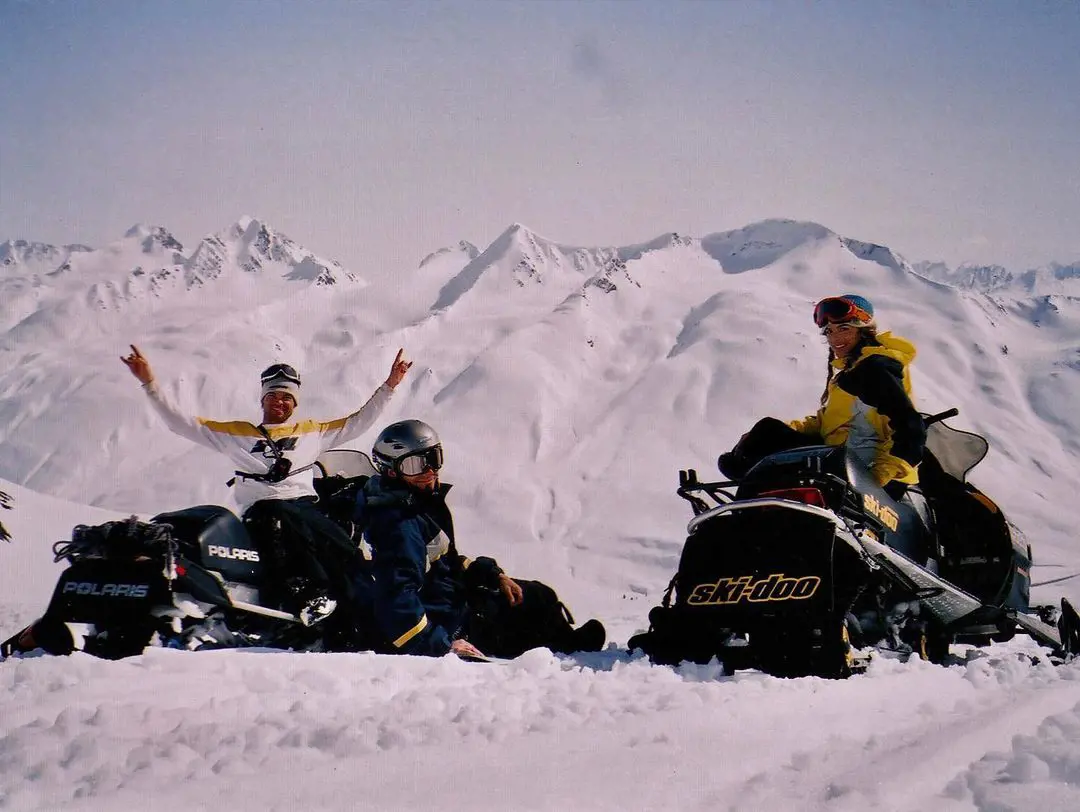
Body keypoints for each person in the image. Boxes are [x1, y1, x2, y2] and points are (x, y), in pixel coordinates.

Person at [120, 344, 412, 625]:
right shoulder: (237, 434)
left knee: (342, 545)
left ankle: (366, 609)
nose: (279, 402)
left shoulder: (313, 432)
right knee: (278, 515)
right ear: (262, 399)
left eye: (286, 397)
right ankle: (310, 595)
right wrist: (149, 383)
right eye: (273, 395)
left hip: (304, 508)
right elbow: (181, 423)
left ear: (295, 402)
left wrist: (390, 385)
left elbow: (359, 421)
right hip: (263, 511)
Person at [359, 419, 606, 659]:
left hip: (456, 600)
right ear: (391, 470)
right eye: (415, 465)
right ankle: (565, 650)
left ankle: (567, 641)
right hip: (453, 623)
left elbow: (446, 559)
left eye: (434, 459)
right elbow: (395, 600)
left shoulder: (415, 505)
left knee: (537, 595)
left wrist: (493, 575)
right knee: (532, 610)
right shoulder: (398, 525)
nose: (430, 471)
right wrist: (443, 646)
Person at [718, 294, 925, 500]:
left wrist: (878, 477)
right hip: (839, 461)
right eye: (829, 332)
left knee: (763, 450)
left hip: (870, 471)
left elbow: (910, 427)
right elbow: (827, 424)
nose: (835, 339)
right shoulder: (850, 372)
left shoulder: (876, 367)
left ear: (864, 331)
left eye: (844, 329)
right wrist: (773, 433)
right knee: (768, 430)